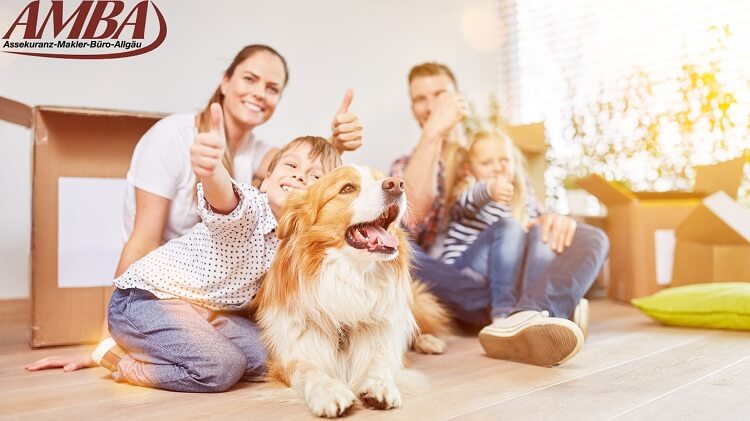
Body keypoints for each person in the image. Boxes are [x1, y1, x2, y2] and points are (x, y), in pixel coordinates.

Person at [25, 44, 362, 372]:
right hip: (160, 289)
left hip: (211, 299)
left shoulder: (258, 153)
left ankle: (204, 337)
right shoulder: (173, 137)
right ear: (225, 81)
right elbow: (147, 238)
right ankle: (148, 357)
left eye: (272, 88)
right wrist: (107, 338)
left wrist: (337, 144)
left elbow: (304, 177)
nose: (260, 92)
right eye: (250, 79)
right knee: (224, 365)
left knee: (274, 354)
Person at [391, 62, 609, 367]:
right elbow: (409, 219)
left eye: (440, 94)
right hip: (457, 288)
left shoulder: (494, 154)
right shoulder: (405, 165)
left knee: (591, 236)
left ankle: (530, 314)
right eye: (420, 99)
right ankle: (548, 308)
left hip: (513, 272)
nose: (430, 106)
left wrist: (553, 221)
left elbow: (530, 217)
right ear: (413, 109)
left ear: (458, 98)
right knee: (398, 251)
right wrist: (433, 134)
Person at [93, 127, 341, 392]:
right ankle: (121, 360)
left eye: (314, 176)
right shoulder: (252, 211)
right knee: (221, 368)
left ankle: (188, 344)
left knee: (276, 357)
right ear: (266, 180)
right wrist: (212, 171)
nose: (299, 175)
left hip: (209, 312)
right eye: (291, 164)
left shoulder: (301, 240)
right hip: (146, 299)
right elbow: (226, 199)